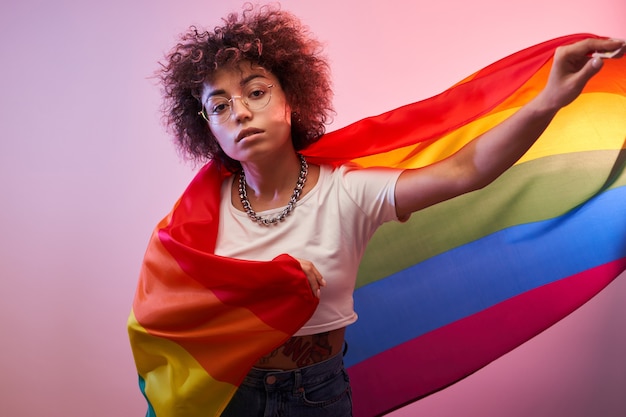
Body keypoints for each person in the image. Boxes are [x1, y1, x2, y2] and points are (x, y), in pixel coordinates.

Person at [130, 3, 625, 416]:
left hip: (315, 396)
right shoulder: (196, 218)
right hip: (229, 396)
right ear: (207, 126)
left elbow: (466, 170)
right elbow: (165, 318)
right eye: (219, 106)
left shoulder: (347, 193)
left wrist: (547, 101)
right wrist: (273, 283)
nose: (239, 111)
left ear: (289, 100)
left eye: (257, 91)